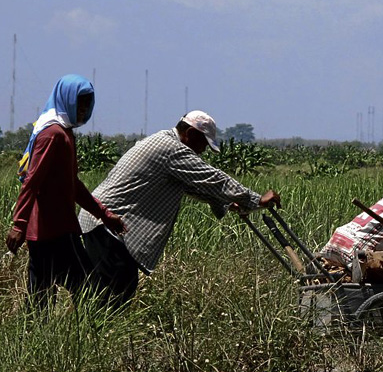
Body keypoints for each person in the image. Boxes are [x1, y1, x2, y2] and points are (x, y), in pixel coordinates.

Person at [78, 110, 281, 307]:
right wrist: (257, 200)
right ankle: (95, 334)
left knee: (113, 289)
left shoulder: (165, 143)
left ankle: (95, 331)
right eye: (203, 144)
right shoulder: (171, 149)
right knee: (115, 291)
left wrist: (228, 202)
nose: (202, 151)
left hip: (103, 221)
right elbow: (213, 179)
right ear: (191, 133)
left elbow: (192, 186)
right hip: (106, 222)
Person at [6, 74, 126, 308]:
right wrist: (18, 224)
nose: (83, 109)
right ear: (66, 99)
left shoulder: (63, 133)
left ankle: (36, 339)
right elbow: (32, 181)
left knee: (40, 295)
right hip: (55, 229)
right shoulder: (54, 135)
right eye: (79, 102)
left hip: (45, 231)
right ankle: (91, 337)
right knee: (88, 290)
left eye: (87, 103)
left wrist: (104, 214)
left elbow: (73, 185)